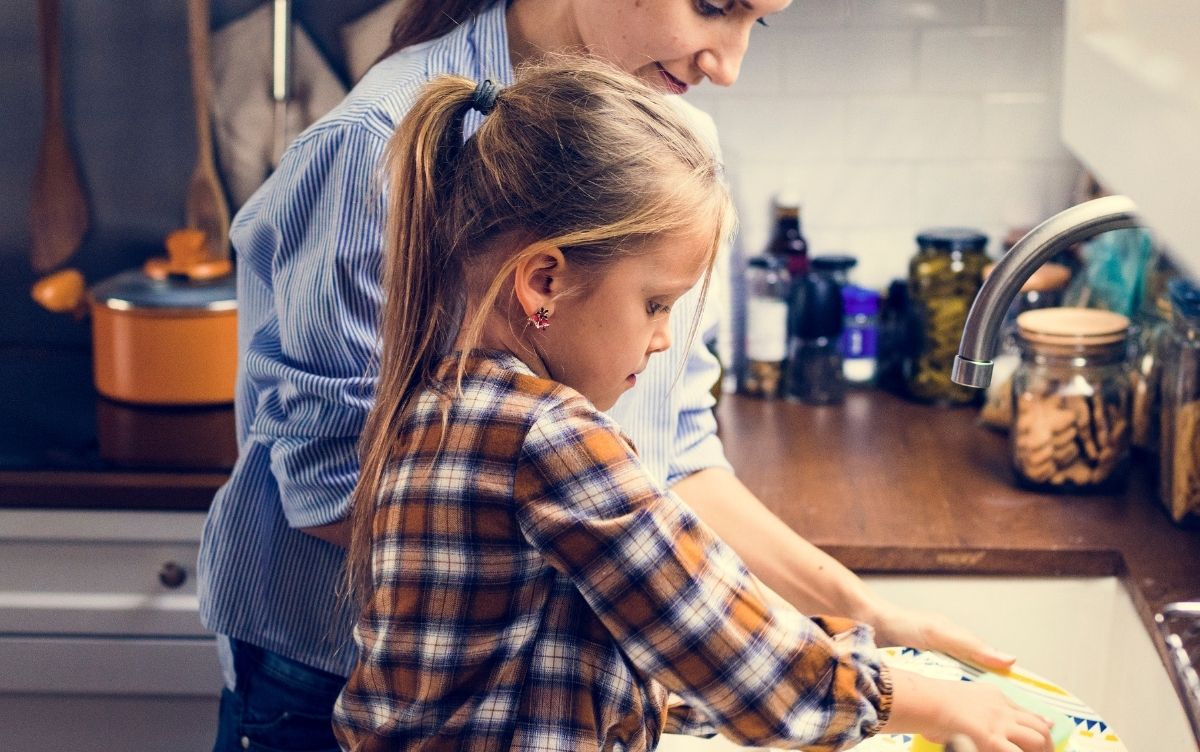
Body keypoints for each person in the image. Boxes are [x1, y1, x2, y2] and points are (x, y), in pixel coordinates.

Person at [199, 2, 1020, 750]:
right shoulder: (374, 144)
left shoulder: (670, 146)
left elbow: (675, 458)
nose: (728, 65)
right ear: (542, 283)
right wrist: (685, 615)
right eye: (715, 6)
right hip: (325, 684)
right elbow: (332, 490)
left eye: (756, 23)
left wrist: (853, 608)